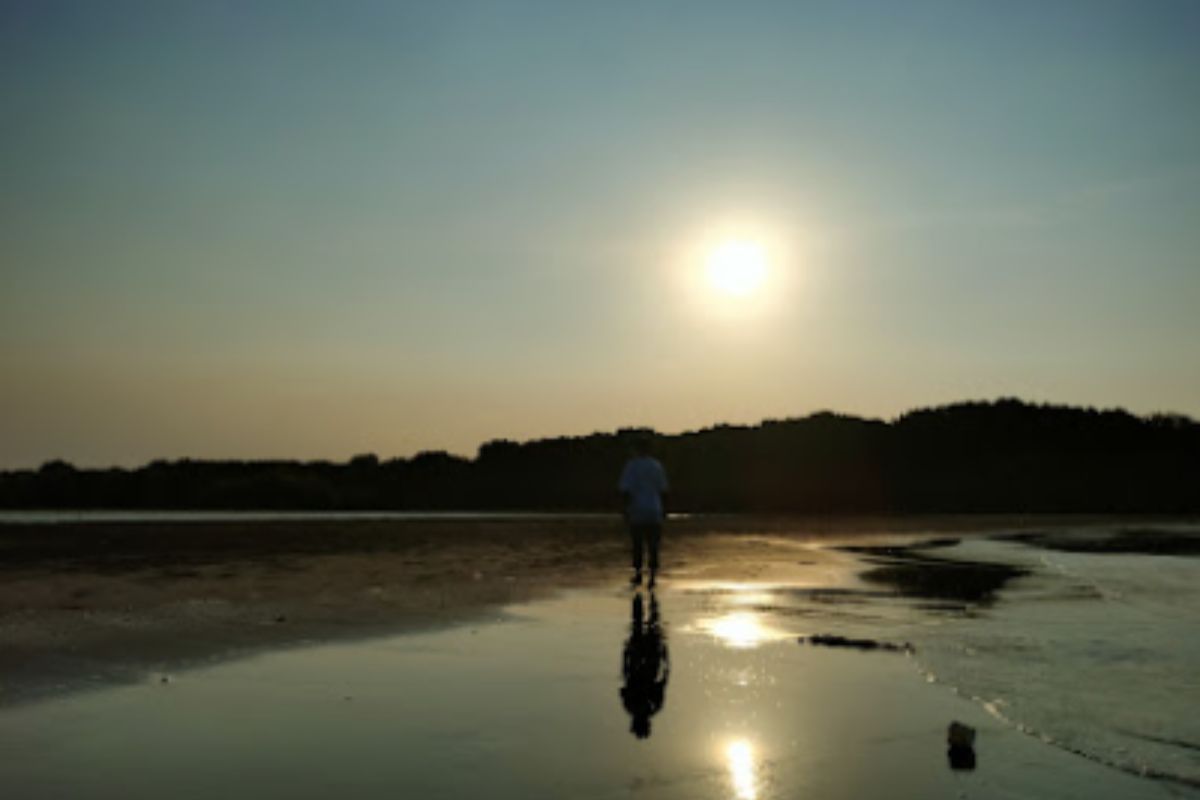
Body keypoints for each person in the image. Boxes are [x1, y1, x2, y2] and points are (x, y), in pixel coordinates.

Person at [618, 435, 669, 587]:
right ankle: (652, 577)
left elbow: (625, 490)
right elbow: (663, 490)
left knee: (638, 545)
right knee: (653, 545)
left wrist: (624, 509)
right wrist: (664, 509)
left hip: (637, 510)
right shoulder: (657, 466)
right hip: (654, 509)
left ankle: (638, 574)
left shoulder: (631, 466)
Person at [620, 592, 669, 739]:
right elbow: (664, 679)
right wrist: (665, 657)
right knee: (646, 625)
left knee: (642, 625)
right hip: (648, 664)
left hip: (642, 663)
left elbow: (625, 678)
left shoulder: (638, 706)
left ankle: (643, 595)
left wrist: (626, 655)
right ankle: (647, 595)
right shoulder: (648, 706)